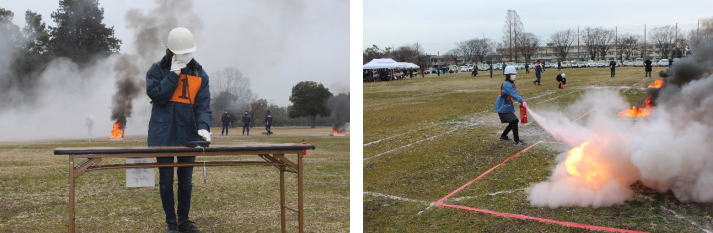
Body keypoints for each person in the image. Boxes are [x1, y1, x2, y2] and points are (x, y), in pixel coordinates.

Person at [146, 27, 209, 233]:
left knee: (186, 182)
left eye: (187, 52)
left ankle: (183, 220)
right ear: (170, 51)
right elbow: (157, 95)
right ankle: (171, 223)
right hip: (162, 135)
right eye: (180, 53)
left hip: (188, 135)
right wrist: (173, 75)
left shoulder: (200, 74)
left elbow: (202, 106)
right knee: (165, 182)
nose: (185, 57)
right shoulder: (156, 70)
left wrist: (203, 127)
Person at [495, 65, 527, 146]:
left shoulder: (510, 83)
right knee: (514, 121)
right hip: (502, 107)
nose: (514, 75)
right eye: (512, 74)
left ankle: (503, 136)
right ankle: (517, 141)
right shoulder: (507, 84)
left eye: (514, 74)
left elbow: (514, 94)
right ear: (508, 75)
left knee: (512, 121)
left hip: (506, 106)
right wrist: (522, 101)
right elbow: (514, 94)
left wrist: (521, 101)